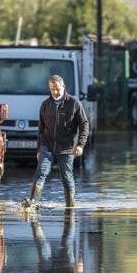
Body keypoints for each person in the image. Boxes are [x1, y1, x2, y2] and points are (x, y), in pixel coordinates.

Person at [21, 74, 89, 209]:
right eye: (52, 89)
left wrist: (80, 145)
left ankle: (70, 207)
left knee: (67, 177)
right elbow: (40, 129)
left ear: (63, 87)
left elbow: (84, 124)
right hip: (47, 146)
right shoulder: (45, 105)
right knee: (40, 173)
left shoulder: (74, 103)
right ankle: (32, 204)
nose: (55, 92)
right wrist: (38, 149)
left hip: (67, 147)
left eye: (57, 89)